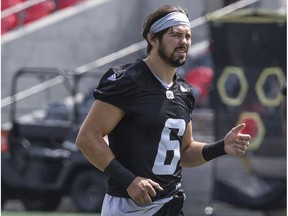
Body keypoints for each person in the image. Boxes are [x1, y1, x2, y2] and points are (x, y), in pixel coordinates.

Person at [76, 4, 251, 216]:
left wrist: (222, 147)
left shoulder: (184, 91)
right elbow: (87, 138)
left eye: (187, 36)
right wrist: (129, 180)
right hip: (129, 207)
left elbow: (184, 152)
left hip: (170, 204)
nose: (184, 42)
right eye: (176, 35)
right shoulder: (127, 80)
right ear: (153, 38)